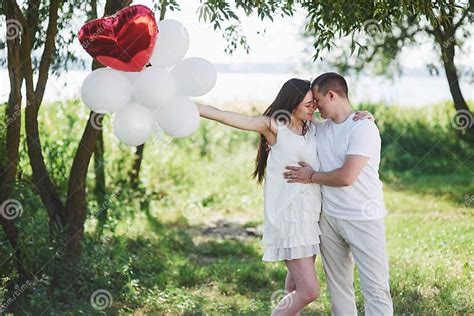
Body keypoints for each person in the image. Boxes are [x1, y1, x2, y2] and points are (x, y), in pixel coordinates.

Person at [197, 78, 373, 315]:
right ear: (293, 103)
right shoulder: (274, 126)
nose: (315, 108)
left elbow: (341, 120)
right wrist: (193, 108)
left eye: (315, 103)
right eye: (309, 104)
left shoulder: (312, 128)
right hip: (289, 220)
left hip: (310, 218)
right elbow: (225, 115)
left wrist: (363, 116)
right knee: (309, 291)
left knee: (293, 286)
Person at [283, 72, 393, 315]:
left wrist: (311, 176)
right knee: (339, 289)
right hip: (330, 219)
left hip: (363, 218)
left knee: (375, 289)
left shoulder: (363, 128)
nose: (316, 107)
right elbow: (289, 119)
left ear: (332, 95)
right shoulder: (319, 128)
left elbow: (346, 177)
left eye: (318, 101)